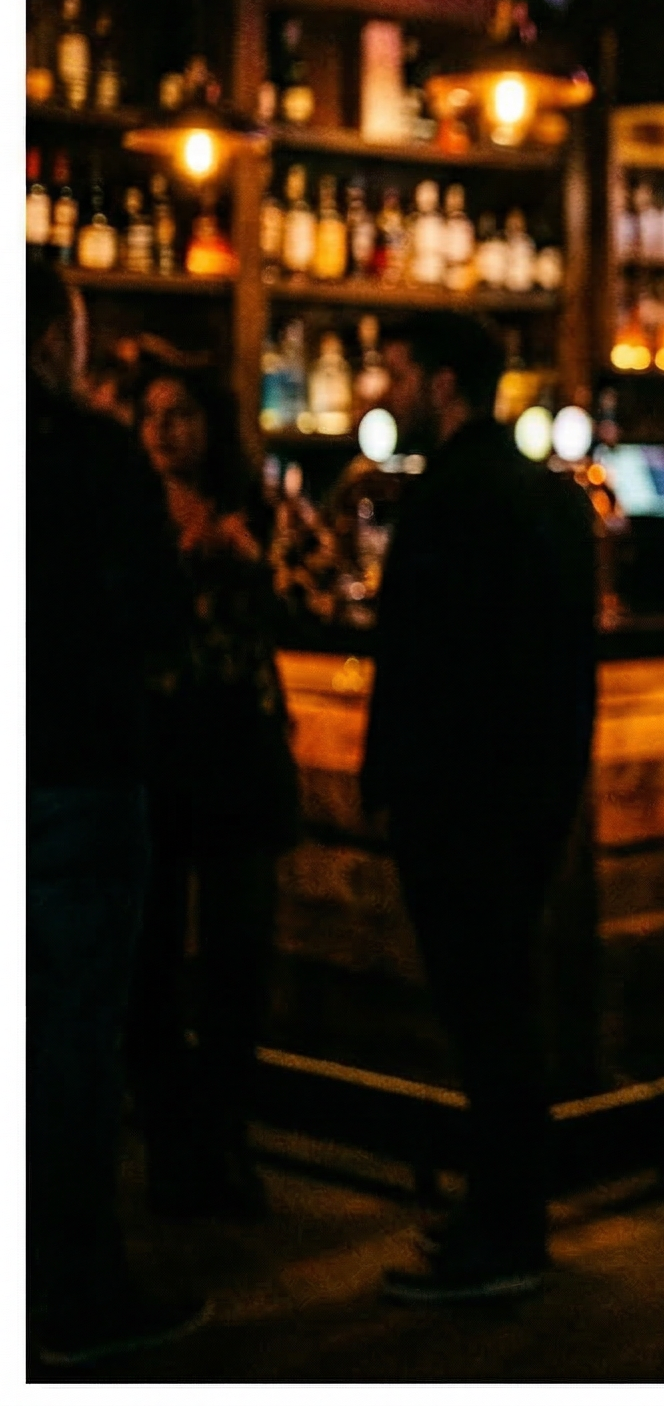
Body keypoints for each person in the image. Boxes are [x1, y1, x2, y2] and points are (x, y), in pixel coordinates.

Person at [364, 312, 598, 1302]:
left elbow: (418, 661)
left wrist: (393, 780)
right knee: (506, 1004)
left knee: (484, 1011)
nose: (388, 391)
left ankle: (503, 1235)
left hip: (456, 796)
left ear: (446, 382)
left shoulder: (447, 497)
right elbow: (570, 661)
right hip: (531, 791)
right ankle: (503, 1213)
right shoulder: (550, 496)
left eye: (400, 371)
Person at [26, 258, 212, 1366]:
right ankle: (75, 1288)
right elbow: (157, 617)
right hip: (78, 772)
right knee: (71, 1042)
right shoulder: (95, 450)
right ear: (60, 337)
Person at [128, 365, 301, 1220]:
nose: (164, 430)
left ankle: (224, 1141)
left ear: (214, 423)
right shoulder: (120, 513)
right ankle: (169, 1148)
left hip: (239, 748)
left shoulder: (254, 507)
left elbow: (299, 590)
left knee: (238, 961)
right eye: (152, 415)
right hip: (155, 751)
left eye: (182, 414)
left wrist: (249, 557)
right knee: (150, 965)